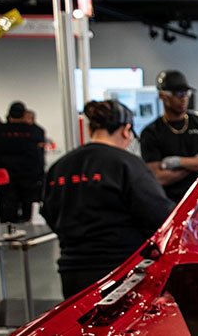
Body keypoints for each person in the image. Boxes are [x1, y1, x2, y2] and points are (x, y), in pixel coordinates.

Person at [42, 100, 174, 298]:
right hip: (120, 272)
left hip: (72, 272)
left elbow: (50, 213)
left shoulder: (60, 167)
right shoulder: (127, 164)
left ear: (90, 128)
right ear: (126, 130)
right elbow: (159, 215)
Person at [140, 70, 198, 203]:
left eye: (186, 93)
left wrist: (179, 162)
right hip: (168, 203)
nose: (184, 98)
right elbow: (158, 177)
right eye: (178, 94)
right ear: (163, 96)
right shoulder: (151, 132)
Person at [0, 101, 45, 223]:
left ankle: (8, 230)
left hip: (6, 178)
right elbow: (40, 154)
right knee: (30, 210)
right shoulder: (35, 131)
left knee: (7, 210)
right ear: (24, 114)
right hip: (30, 176)